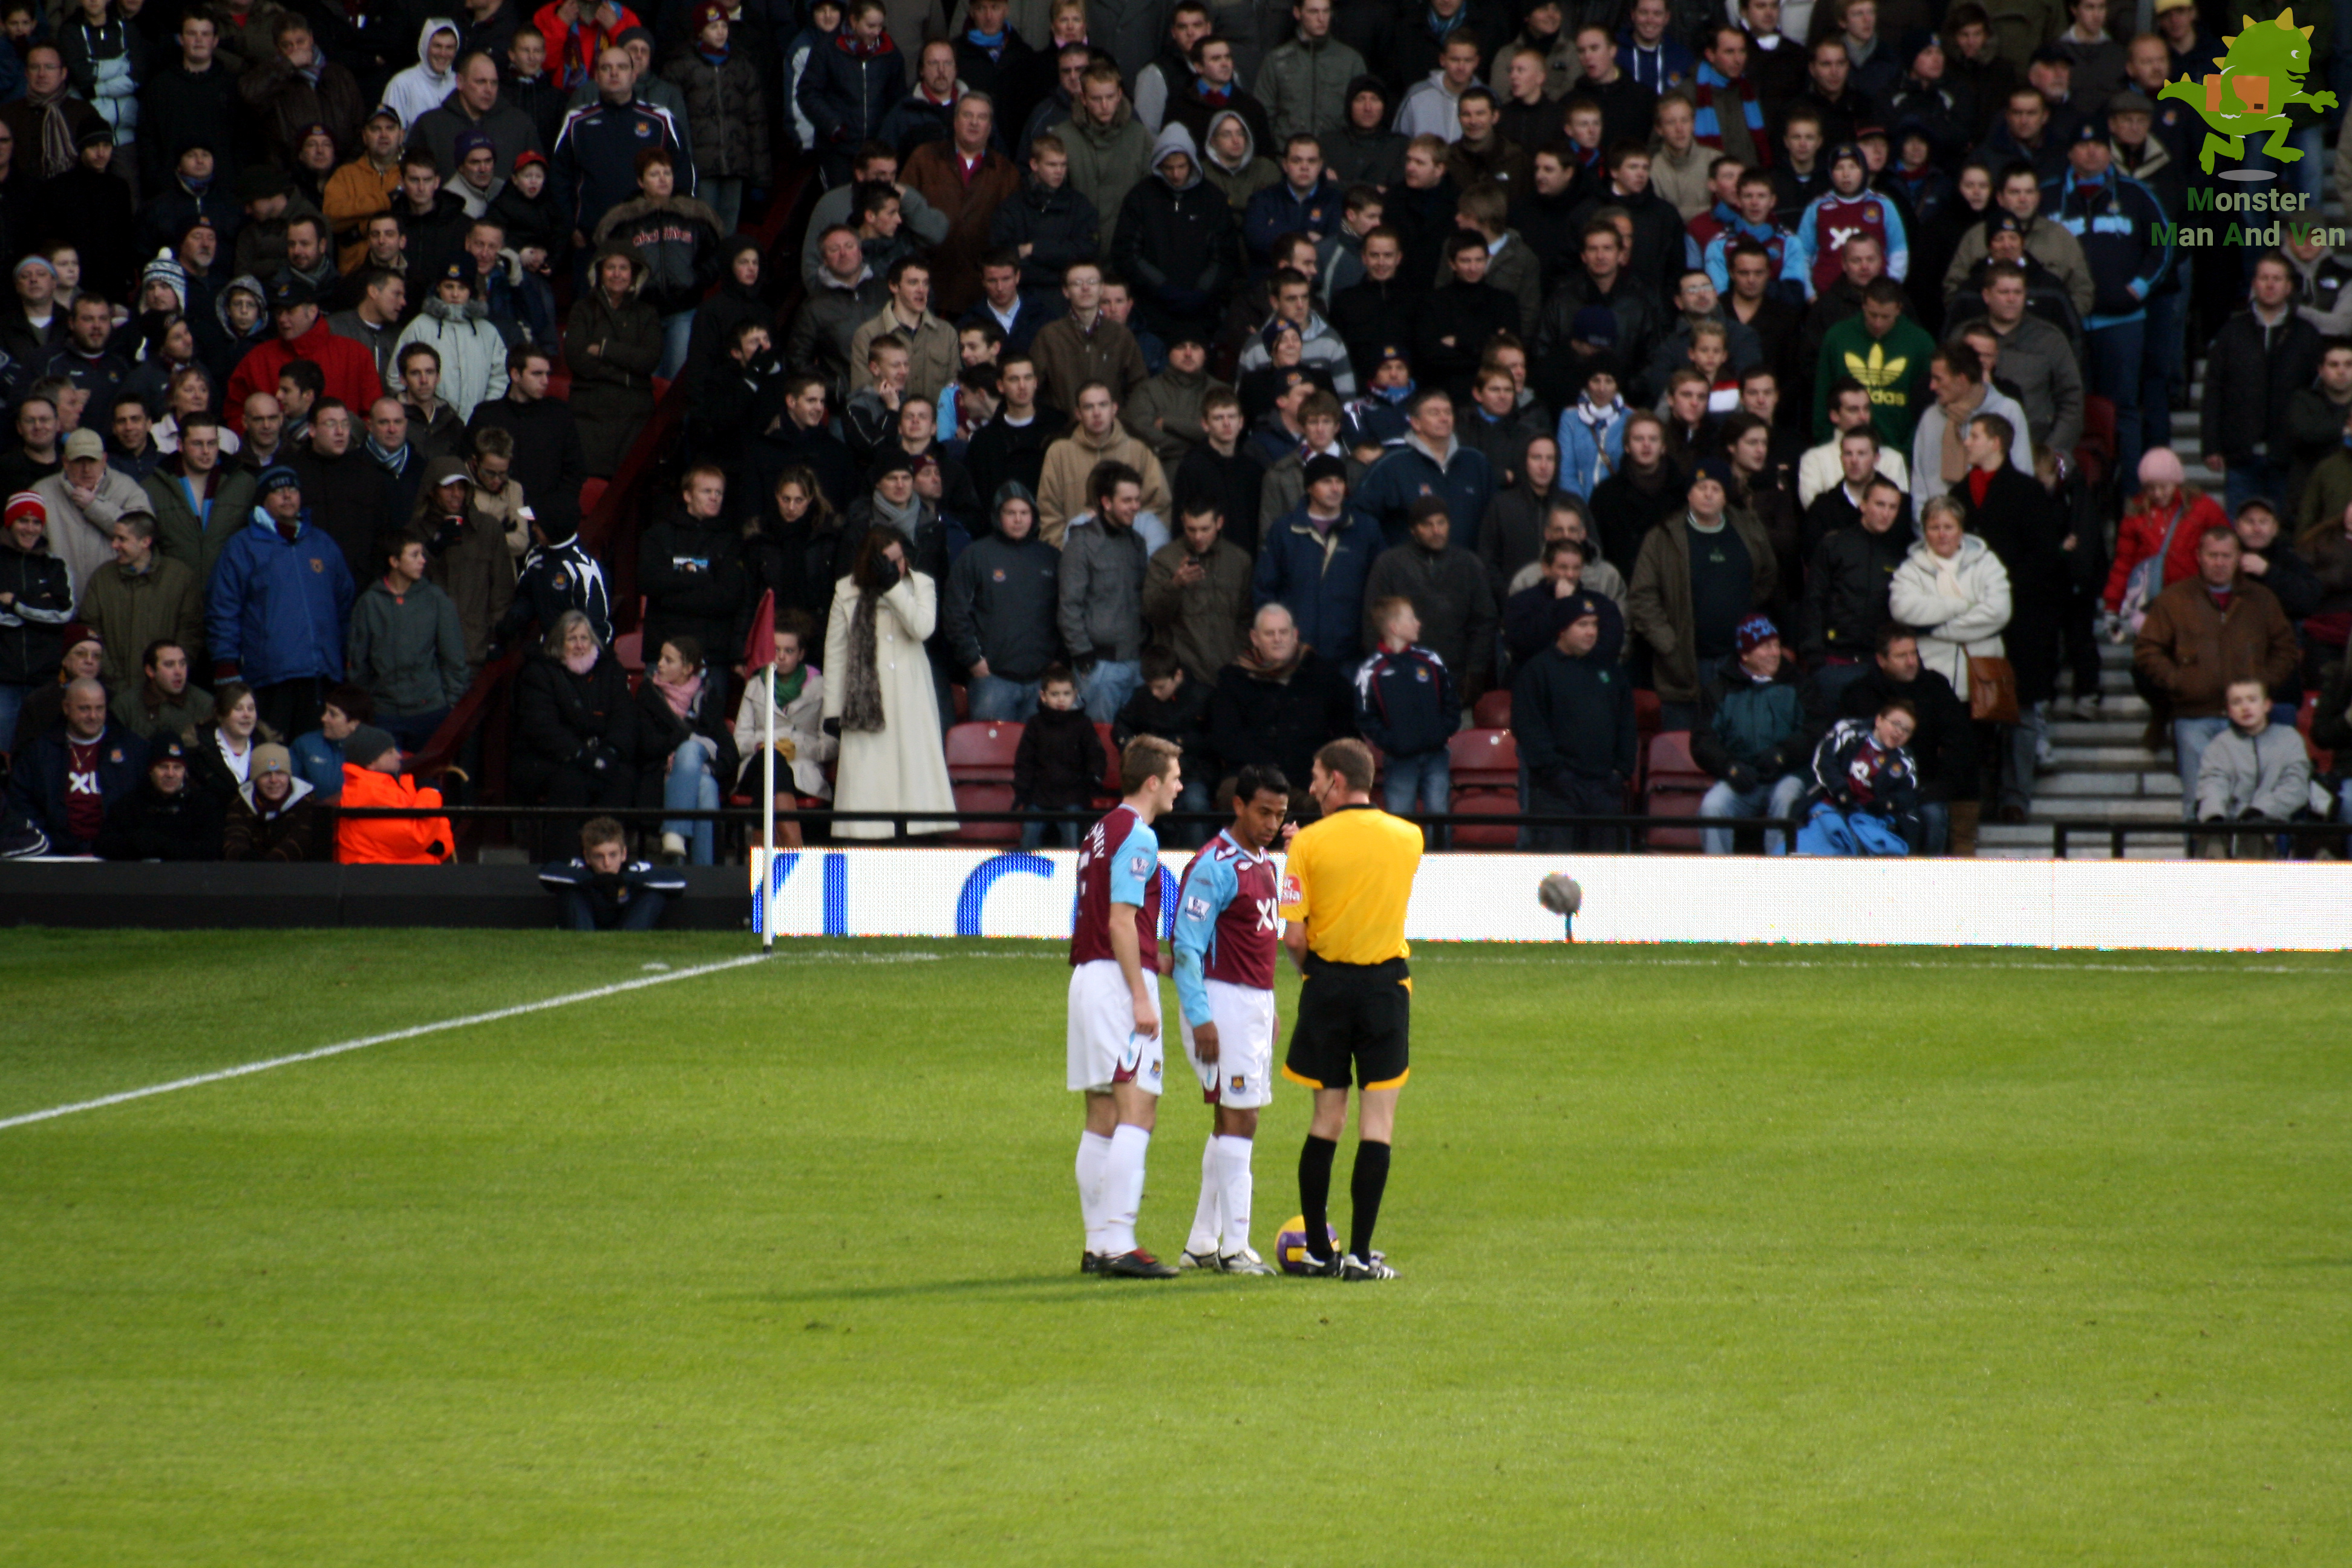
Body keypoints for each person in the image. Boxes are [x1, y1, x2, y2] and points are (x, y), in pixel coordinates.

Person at [1273, 736, 1420, 1280]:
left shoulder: (1306, 846)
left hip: (1327, 987)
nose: (1310, 787)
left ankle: (1316, 1249)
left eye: (1314, 777)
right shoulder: (1409, 838)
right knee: (1377, 1122)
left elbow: (1293, 937)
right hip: (1385, 989)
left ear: (1336, 780)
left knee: (1326, 1119)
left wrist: (1314, 978)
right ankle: (1359, 1255)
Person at [1066, 733, 1184, 1278]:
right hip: (1116, 983)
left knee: (1102, 1114)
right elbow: (1119, 919)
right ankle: (1120, 1242)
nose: (1181, 786)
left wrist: (1150, 956)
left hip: (1089, 977)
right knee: (1138, 1109)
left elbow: (1111, 920)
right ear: (1153, 781)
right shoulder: (1138, 836)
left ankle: (1096, 1243)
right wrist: (1141, 994)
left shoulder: (1099, 830)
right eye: (1176, 776)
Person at [1167, 761, 1288, 1275]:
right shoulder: (1212, 865)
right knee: (1240, 1119)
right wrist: (1201, 1018)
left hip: (1252, 1004)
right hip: (1222, 1003)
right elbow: (1186, 948)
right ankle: (1236, 1248)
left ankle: (1201, 1243)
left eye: (1280, 815)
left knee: (1233, 1120)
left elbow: (1256, 941)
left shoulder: (1261, 860)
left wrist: (1270, 1006)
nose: (1272, 823)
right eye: (1264, 812)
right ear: (1237, 805)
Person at [2134, 528, 2300, 823]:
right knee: (2199, 804)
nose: (2219, 562)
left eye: (2227, 556)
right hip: (2194, 717)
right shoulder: (2175, 599)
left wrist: (2262, 686)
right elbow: (2148, 649)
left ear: (2239, 558)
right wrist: (2178, 681)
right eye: (2213, 555)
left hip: (2250, 719)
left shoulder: (2261, 599)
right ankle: (2200, 866)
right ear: (2199, 557)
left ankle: (2245, 867)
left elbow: (2286, 649)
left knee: (2249, 804)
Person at [206, 463, 356, 740]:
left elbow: (345, 604)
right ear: (263, 499)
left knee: (314, 757)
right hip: (270, 678)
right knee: (275, 758)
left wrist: (346, 655)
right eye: (278, 491)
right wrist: (226, 663)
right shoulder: (243, 546)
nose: (287, 496)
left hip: (320, 676)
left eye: (293, 489)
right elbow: (224, 609)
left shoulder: (322, 544)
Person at [822, 528, 954, 840]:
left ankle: (919, 836)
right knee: (870, 780)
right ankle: (870, 839)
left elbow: (922, 628)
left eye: (900, 560)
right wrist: (832, 708)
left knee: (914, 774)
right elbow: (836, 652)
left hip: (910, 693)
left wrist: (894, 588)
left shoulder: (921, 584)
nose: (898, 567)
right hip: (865, 697)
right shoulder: (846, 590)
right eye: (888, 563)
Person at [1627, 457, 1777, 729]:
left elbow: (1767, 576)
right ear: (1689, 493)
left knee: (1737, 744)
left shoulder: (1748, 528)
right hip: (1684, 666)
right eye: (1701, 487)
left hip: (1738, 661)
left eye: (1716, 488)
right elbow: (1642, 597)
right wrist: (1669, 645)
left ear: (1726, 494)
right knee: (1683, 752)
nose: (1708, 494)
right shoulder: (1663, 537)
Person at [2204, 253, 2324, 518]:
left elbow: (2318, 392)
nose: (2270, 285)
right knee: (2239, 530)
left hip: (2289, 456)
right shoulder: (2231, 332)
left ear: (2289, 287)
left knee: (2283, 534)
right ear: (2254, 284)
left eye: (2277, 279)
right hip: (2240, 454)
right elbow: (2214, 390)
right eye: (2264, 278)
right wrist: (2211, 444)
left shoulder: (2307, 335)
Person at [1514, 589, 1636, 849]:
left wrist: (1621, 771)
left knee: (1603, 877)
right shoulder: (1538, 671)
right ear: (1562, 629)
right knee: (1559, 878)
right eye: (1582, 624)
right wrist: (1556, 774)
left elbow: (1626, 724)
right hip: (1556, 794)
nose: (1591, 632)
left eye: (1594, 625)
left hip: (1604, 790)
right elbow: (1529, 728)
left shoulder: (1611, 671)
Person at [511, 607, 638, 844]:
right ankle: (566, 859)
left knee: (621, 778)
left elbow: (625, 719)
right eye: (572, 639)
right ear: (560, 643)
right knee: (571, 783)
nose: (580, 645)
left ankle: (607, 856)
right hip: (555, 759)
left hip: (601, 753)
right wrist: (580, 754)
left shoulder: (610, 670)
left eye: (584, 638)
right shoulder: (540, 672)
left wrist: (610, 751)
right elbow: (542, 727)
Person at [1692, 612, 1814, 854]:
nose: (1775, 653)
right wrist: (1730, 767)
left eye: (1777, 645)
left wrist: (1783, 754)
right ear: (1745, 654)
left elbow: (1815, 731)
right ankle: (1716, 883)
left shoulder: (1799, 684)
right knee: (1712, 806)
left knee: (1786, 800)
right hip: (1743, 777)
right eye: (1766, 647)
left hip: (1787, 774)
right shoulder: (1718, 690)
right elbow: (1703, 742)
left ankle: (1777, 880)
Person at [346, 529, 469, 752]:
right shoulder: (370, 602)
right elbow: (358, 661)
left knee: (428, 781)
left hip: (430, 711)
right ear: (394, 561)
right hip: (385, 713)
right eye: (414, 555)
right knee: (387, 781)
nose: (423, 561)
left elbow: (454, 656)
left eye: (422, 554)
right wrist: (369, 705)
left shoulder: (435, 598)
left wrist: (449, 702)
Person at [1057, 458, 1154, 723]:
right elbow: (1069, 605)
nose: (1135, 506)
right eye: (1127, 500)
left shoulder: (1137, 544)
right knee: (1100, 747)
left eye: (1137, 499)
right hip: (1099, 667)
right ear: (1106, 502)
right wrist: (1083, 656)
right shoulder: (1082, 542)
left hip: (1135, 662)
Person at [7, 676, 145, 853]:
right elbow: (22, 804)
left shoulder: (133, 749)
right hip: (54, 855)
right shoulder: (39, 753)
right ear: (66, 708)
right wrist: (49, 844)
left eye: (99, 708)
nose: (93, 716)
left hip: (117, 854)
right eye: (84, 709)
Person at [1354, 594, 1456, 831]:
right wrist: (1392, 742)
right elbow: (1365, 717)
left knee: (1439, 818)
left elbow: (1451, 701)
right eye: (1412, 618)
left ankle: (1441, 865)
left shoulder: (1430, 661)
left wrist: (1443, 732)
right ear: (1395, 627)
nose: (1418, 623)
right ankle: (1402, 867)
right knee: (1399, 822)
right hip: (1400, 760)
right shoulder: (1371, 671)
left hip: (1436, 755)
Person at [78, 513, 204, 694]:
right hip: (114, 693)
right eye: (115, 538)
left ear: (145, 542)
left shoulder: (180, 578)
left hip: (165, 693)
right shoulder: (103, 577)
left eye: (122, 539)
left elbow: (190, 633)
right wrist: (113, 680)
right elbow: (90, 631)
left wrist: (166, 676)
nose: (114, 545)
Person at [564, 244, 661, 474]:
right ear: (599, 272)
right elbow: (576, 357)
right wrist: (626, 372)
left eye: (623, 268)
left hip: (634, 413)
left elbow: (649, 360)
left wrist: (604, 349)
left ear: (635, 273)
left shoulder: (647, 314)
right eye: (611, 268)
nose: (617, 274)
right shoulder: (583, 309)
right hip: (590, 411)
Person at [2103, 446, 2222, 631]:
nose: (2158, 494)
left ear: (2176, 482)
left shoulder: (2203, 508)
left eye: (2163, 487)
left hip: (2193, 598)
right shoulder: (2136, 514)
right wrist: (2112, 606)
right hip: (2151, 603)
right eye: (2151, 488)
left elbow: (2224, 549)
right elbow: (2123, 563)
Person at [2190, 677, 2308, 861]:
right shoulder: (2219, 745)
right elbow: (2212, 784)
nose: (2245, 707)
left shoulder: (2290, 739)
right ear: (2229, 711)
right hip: (2229, 821)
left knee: (2254, 831)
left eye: (2252, 700)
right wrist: (2215, 815)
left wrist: (2260, 810)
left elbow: (2296, 786)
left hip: (2272, 819)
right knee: (2211, 833)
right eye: (2237, 702)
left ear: (2267, 705)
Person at [1795, 699, 1922, 855]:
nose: (1899, 732)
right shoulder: (1849, 732)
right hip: (1833, 804)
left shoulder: (1904, 760)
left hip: (1872, 818)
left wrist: (1890, 803)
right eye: (1896, 724)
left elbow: (1909, 794)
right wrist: (1840, 790)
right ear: (1879, 720)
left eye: (1907, 730)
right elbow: (1825, 760)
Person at [333, 724, 457, 864]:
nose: (399, 756)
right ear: (371, 762)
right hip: (381, 878)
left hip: (400, 874)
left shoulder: (394, 786)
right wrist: (430, 793)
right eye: (390, 752)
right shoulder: (368, 792)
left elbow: (436, 827)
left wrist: (437, 845)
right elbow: (416, 838)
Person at [1011, 662, 1100, 848]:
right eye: (1055, 694)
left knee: (1072, 840)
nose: (1061, 699)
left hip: (1073, 795)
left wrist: (1091, 781)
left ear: (1075, 694)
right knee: (1029, 836)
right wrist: (1023, 790)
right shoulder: (1035, 724)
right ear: (1043, 696)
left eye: (1067, 694)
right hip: (1039, 794)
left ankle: (1071, 876)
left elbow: (1095, 756)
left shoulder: (1083, 724)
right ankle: (1025, 872)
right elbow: (1025, 760)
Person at [221, 741, 325, 861]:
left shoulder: (306, 802)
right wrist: (246, 859)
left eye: (280, 773)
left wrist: (270, 864)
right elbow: (234, 837)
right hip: (248, 873)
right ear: (255, 778)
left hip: (294, 873)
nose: (274, 780)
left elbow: (302, 839)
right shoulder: (241, 803)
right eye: (266, 774)